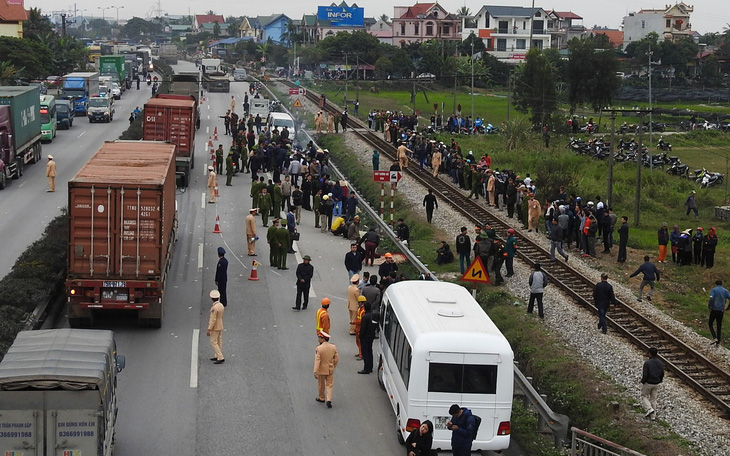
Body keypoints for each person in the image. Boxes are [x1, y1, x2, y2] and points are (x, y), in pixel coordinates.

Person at [314, 331, 339, 409]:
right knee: (329, 385)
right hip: (330, 369)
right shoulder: (333, 347)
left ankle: (322, 397)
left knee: (321, 385)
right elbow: (336, 358)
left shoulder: (319, 348)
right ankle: (329, 399)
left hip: (322, 370)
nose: (318, 339)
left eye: (319, 337)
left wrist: (315, 371)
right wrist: (333, 366)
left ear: (323, 339)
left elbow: (317, 361)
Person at [641, 347, 664, 420]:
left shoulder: (647, 363)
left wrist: (643, 381)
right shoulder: (660, 363)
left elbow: (645, 374)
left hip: (648, 382)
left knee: (644, 396)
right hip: (656, 383)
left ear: (650, 354)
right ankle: (653, 416)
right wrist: (659, 380)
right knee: (653, 399)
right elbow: (662, 373)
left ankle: (649, 408)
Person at [708, 280, 730, 345]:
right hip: (721, 310)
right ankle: (718, 341)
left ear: (716, 284)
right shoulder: (725, 291)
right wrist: (728, 308)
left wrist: (710, 306)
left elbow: (711, 298)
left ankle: (714, 337)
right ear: (721, 284)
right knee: (719, 325)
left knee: (710, 323)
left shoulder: (714, 290)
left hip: (714, 310)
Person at [207, 289, 225, 364]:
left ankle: (220, 356)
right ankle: (217, 355)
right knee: (219, 341)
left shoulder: (214, 308)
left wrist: (209, 329)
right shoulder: (221, 305)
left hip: (215, 326)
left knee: (213, 341)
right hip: (220, 324)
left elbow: (213, 319)